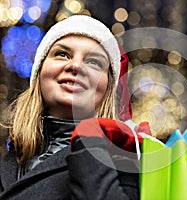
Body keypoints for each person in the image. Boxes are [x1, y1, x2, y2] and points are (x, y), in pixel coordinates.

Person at [0, 15, 142, 199]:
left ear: (108, 89)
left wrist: (90, 139)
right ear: (40, 72)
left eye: (94, 62)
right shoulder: (9, 161)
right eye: (62, 54)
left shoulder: (125, 162)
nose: (75, 65)